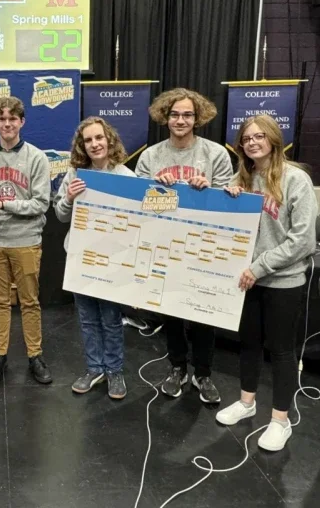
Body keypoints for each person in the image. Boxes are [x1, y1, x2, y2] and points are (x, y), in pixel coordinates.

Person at [215, 115, 317, 452]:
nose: (253, 143)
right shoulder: (243, 176)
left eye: (259, 136)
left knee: (282, 350)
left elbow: (302, 241)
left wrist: (259, 267)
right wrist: (227, 197)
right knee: (249, 343)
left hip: (282, 281)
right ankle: (247, 402)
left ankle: (280, 420)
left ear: (274, 139)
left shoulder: (296, 180)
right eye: (246, 139)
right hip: (248, 280)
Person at [135, 88, 234, 405]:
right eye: (175, 114)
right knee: (173, 314)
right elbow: (137, 203)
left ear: (197, 117)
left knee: (204, 316)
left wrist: (209, 190)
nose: (181, 120)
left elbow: (227, 203)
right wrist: (154, 187)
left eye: (187, 114)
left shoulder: (216, 154)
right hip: (165, 244)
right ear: (166, 116)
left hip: (204, 246)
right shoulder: (151, 156)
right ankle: (177, 368)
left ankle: (202, 373)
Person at [54, 117, 134, 399]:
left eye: (99, 138)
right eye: (88, 140)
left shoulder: (126, 176)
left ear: (109, 140)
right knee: (87, 318)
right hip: (80, 257)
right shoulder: (75, 174)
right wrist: (69, 199)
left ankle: (114, 371)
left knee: (111, 319)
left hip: (112, 260)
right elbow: (60, 215)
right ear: (82, 145)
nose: (94, 144)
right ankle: (94, 368)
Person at [0, 96, 53, 385]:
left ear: (22, 122)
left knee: (29, 301)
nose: (7, 124)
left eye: (12, 119)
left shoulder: (36, 157)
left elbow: (41, 204)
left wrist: (4, 205)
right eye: (1, 119)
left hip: (25, 240)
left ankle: (35, 355)